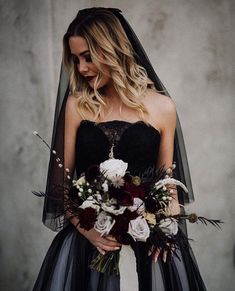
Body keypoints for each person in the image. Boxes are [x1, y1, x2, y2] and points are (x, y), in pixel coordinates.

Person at [32, 7, 207, 291]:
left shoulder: (163, 108)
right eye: (76, 60)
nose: (81, 69)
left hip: (148, 244)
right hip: (89, 245)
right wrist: (86, 230)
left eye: (88, 57)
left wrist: (168, 229)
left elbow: (168, 184)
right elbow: (60, 186)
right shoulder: (77, 106)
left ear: (112, 50)